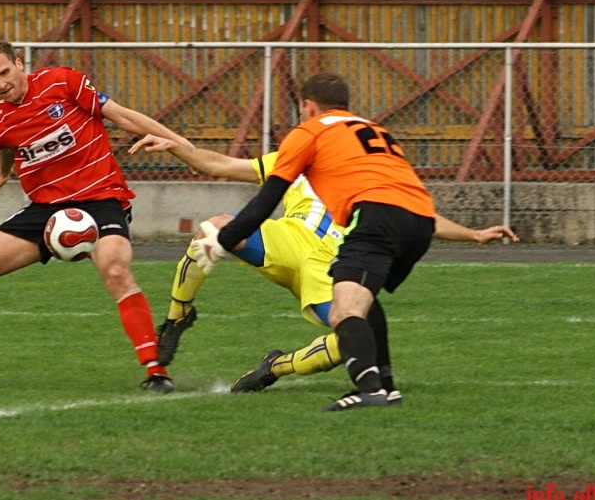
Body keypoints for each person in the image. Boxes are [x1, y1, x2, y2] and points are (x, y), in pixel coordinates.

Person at [128, 132, 518, 403]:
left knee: (350, 341)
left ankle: (275, 366)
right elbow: (220, 165)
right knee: (213, 229)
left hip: (334, 267)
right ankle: (178, 317)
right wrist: (175, 146)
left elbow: (422, 216)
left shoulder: (369, 179)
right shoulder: (295, 161)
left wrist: (474, 235)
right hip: (286, 241)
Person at [0, 40, 191, 393]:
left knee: (116, 270)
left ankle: (156, 371)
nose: (1, 84)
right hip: (45, 211)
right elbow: (8, 145)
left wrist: (180, 142)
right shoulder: (0, 119)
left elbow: (120, 115)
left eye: (5, 73)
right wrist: (5, 173)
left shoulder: (63, 82)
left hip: (101, 199)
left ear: (18, 62)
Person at [189, 73, 441, 411]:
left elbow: (265, 202)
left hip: (376, 218)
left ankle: (369, 390)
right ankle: (387, 386)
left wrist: (223, 241)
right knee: (365, 302)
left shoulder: (309, 131)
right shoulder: (375, 131)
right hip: (422, 219)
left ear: (308, 106)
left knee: (345, 310)